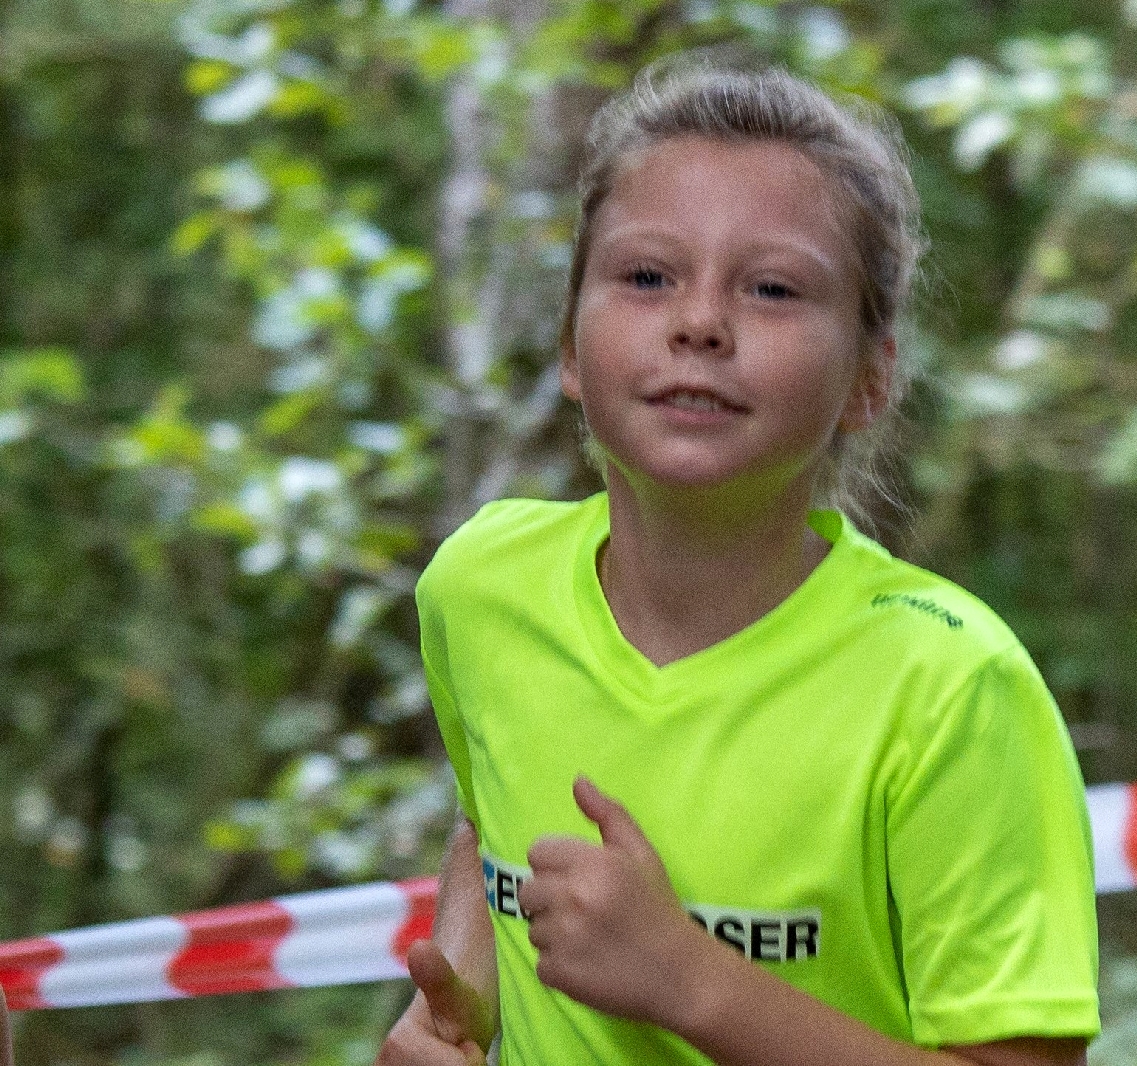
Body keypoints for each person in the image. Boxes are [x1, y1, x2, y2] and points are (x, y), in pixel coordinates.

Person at [377, 63, 1099, 1066]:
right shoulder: (480, 588)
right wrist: (460, 998)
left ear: (871, 375)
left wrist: (686, 977)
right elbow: (486, 822)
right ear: (570, 349)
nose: (700, 321)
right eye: (646, 277)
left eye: (771, 287)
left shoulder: (949, 689)